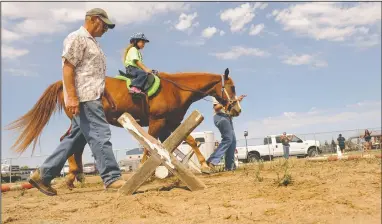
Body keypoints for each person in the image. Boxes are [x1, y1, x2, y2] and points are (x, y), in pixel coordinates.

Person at [28, 8, 125, 196]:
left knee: (74, 140)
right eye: (104, 25)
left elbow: (93, 74)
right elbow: (68, 68)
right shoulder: (77, 38)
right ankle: (112, 177)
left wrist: (108, 96)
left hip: (93, 94)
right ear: (95, 19)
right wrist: (71, 97)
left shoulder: (93, 43)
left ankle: (43, 175)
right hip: (84, 97)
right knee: (100, 134)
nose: (106, 29)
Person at [206, 95, 246, 171]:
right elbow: (216, 108)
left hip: (228, 118)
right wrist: (226, 102)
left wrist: (237, 100)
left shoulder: (230, 95)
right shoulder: (218, 93)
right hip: (220, 117)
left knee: (232, 141)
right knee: (228, 139)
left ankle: (229, 167)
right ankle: (212, 161)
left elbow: (230, 107)